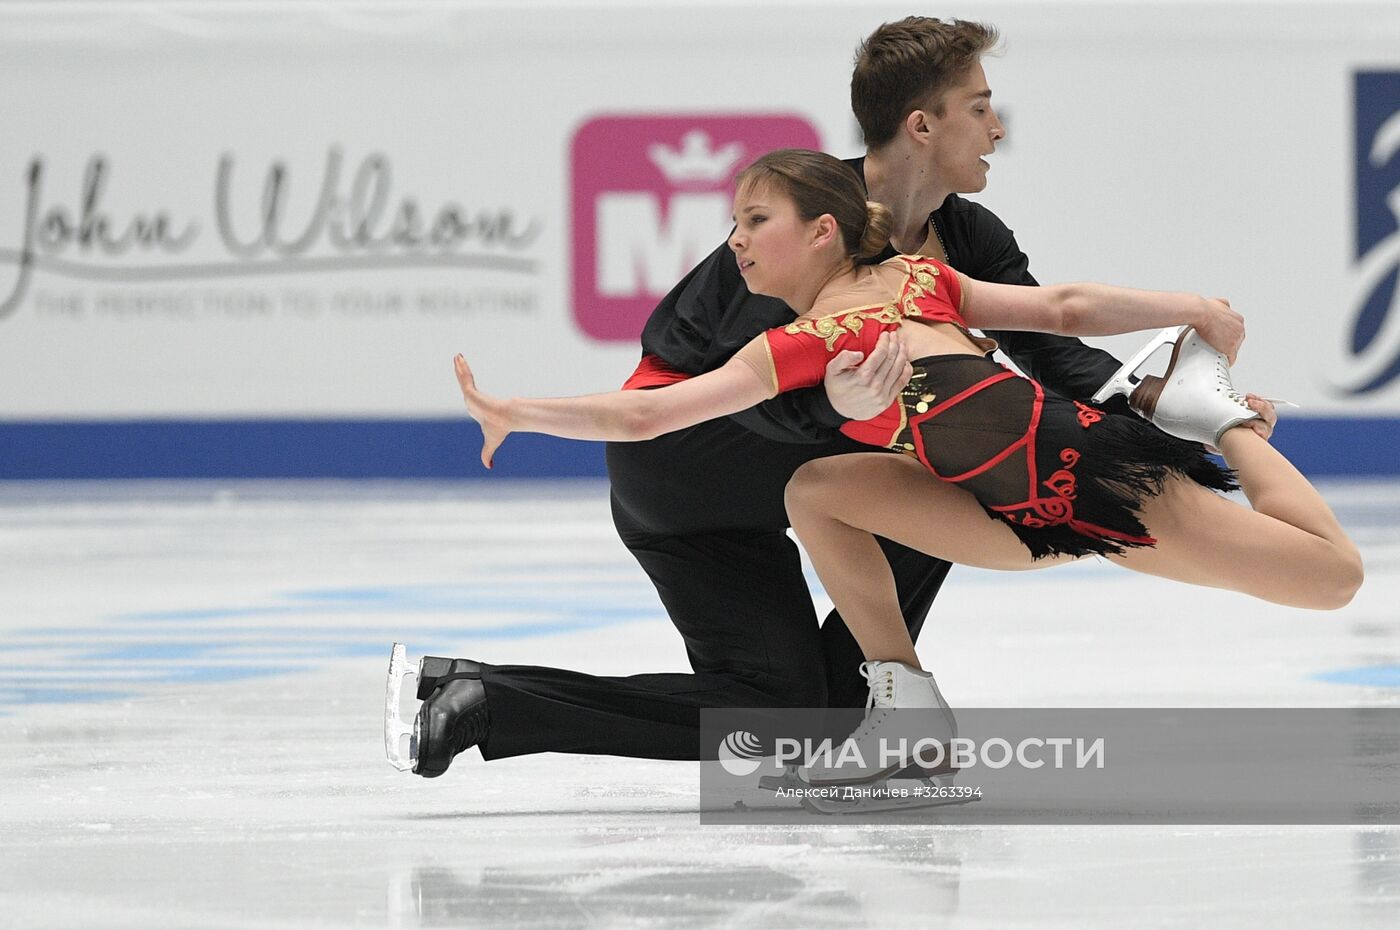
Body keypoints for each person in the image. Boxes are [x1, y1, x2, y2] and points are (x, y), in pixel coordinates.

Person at [444, 148, 1362, 780]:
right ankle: (905, 702)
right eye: (733, 221)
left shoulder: (914, 284)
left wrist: (1193, 311)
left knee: (1331, 580)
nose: (733, 240)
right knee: (819, 489)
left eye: (755, 219)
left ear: (822, 233)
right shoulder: (811, 340)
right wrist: (519, 411)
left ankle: (1219, 415)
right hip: (999, 519)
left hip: (1090, 485)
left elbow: (1067, 307)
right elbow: (653, 416)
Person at [403, 18, 1150, 780]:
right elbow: (705, 391)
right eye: (982, 105)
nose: (997, 127)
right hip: (685, 467)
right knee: (953, 458)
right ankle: (892, 698)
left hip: (797, 470)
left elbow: (1052, 347)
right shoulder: (808, 219)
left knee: (788, 719)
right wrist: (832, 407)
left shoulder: (969, 236)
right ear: (922, 125)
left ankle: (485, 698)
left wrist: (1162, 408)